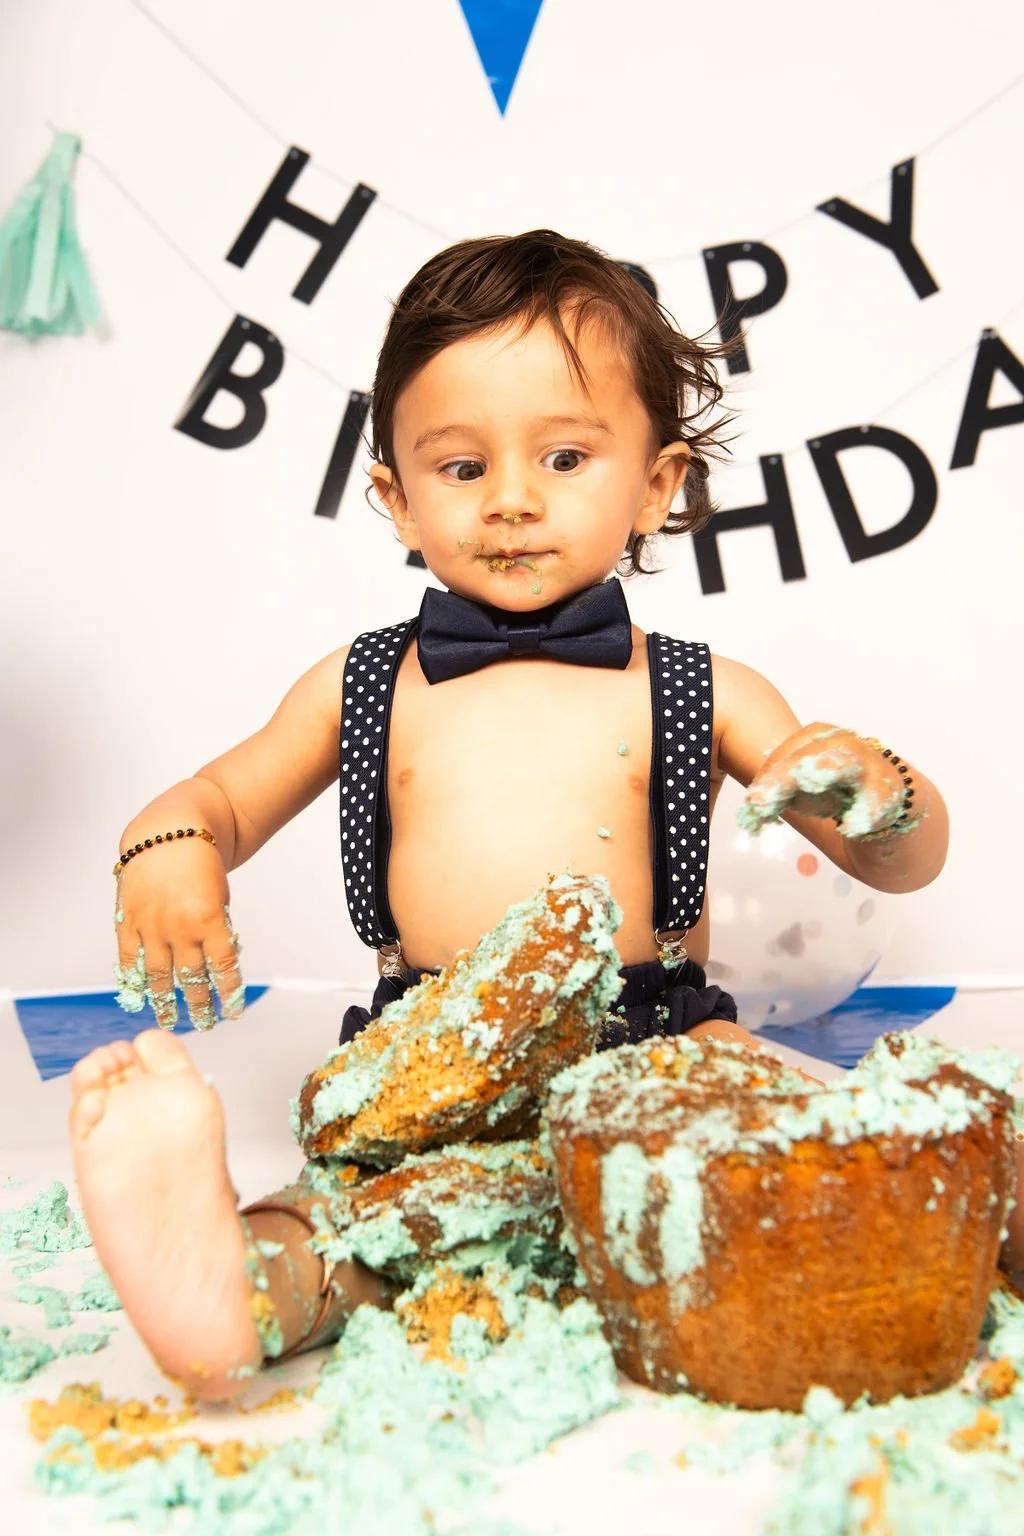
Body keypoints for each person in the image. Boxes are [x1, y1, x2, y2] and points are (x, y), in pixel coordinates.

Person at [69, 229, 973, 1405]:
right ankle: (230, 1280)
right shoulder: (365, 683)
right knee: (381, 1222)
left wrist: (881, 787)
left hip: (659, 1045)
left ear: (658, 482)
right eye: (459, 469)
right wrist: (167, 853)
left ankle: (957, 1216)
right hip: (433, 1069)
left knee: (838, 1150)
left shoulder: (701, 687)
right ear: (394, 496)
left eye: (561, 457)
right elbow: (216, 801)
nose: (508, 500)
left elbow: (894, 862)